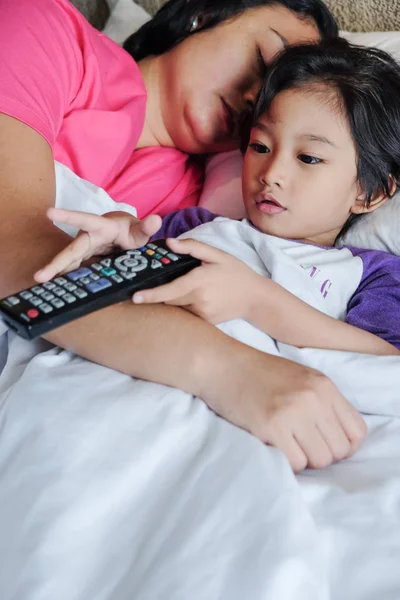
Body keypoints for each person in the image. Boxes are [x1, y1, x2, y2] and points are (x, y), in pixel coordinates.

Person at [1, 0, 367, 474]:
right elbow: (9, 243)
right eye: (262, 59)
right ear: (206, 14)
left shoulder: (200, 212)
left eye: (276, 91)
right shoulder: (43, 28)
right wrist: (230, 370)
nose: (257, 95)